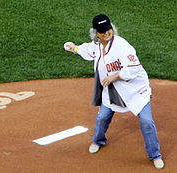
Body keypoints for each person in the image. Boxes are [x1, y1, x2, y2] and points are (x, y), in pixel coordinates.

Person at [64, 14, 164, 169]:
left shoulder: (122, 45)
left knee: (146, 122)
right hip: (112, 91)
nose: (106, 33)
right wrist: (74, 48)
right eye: (102, 31)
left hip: (136, 90)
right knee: (102, 117)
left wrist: (115, 76)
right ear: (96, 33)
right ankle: (98, 141)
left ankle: (155, 155)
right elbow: (87, 50)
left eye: (108, 29)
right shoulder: (97, 45)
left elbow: (134, 67)